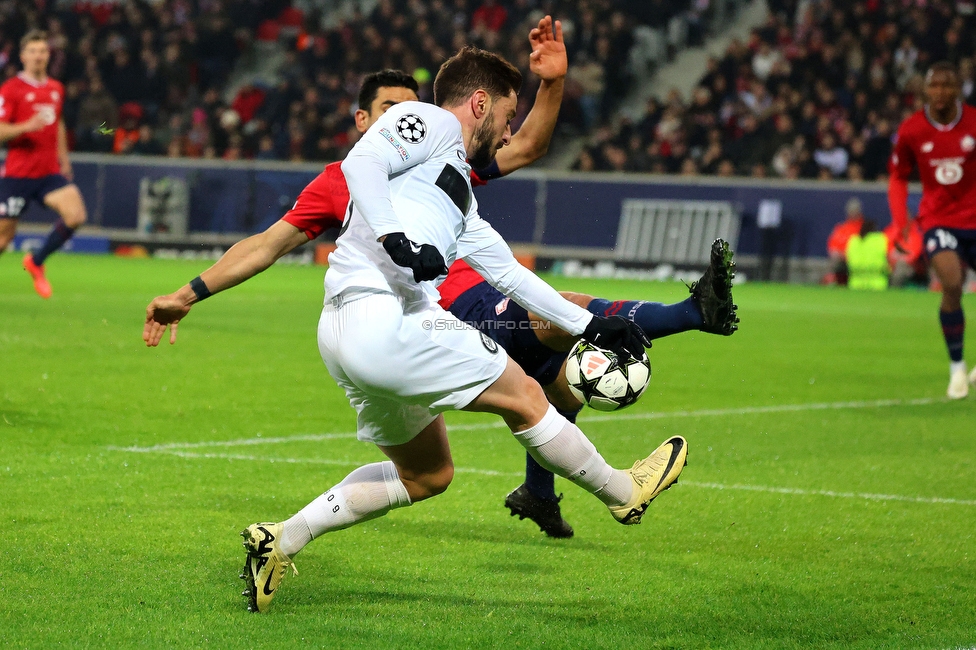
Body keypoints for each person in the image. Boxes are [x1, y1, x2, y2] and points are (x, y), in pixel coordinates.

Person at [144, 19, 738, 539]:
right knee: (526, 397)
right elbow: (357, 167)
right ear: (478, 104)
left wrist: (592, 327)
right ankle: (621, 492)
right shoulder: (429, 122)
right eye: (506, 116)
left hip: (344, 335)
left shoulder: (457, 190)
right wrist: (396, 243)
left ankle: (282, 538)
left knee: (428, 474)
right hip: (395, 318)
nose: (508, 133)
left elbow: (507, 270)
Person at [888, 61, 976, 399]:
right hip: (939, 220)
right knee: (952, 283)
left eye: (947, 85)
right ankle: (957, 368)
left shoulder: (973, 122)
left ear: (958, 89)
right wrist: (900, 222)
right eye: (934, 86)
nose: (940, 92)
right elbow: (898, 176)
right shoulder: (911, 130)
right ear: (925, 90)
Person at [0, 30, 87, 299]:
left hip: (48, 172)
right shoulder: (11, 89)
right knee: (3, 240)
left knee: (76, 215)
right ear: (23, 56)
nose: (39, 56)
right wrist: (26, 126)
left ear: (49, 55)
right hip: (19, 175)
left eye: (43, 51)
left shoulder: (55, 89)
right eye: (33, 51)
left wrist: (63, 159)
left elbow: (57, 124)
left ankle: (36, 262)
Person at [824, 198, 865, 285]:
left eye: (855, 210)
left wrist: (849, 255)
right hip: (842, 261)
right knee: (833, 262)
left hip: (858, 260)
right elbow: (832, 247)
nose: (853, 212)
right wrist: (839, 254)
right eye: (851, 210)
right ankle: (831, 286)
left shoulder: (865, 228)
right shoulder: (841, 228)